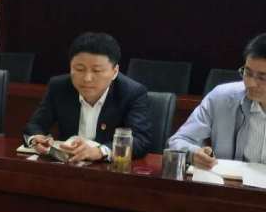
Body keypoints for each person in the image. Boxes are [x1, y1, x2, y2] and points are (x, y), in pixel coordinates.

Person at [24, 32, 153, 162]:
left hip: (108, 168)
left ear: (114, 72)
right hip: (67, 164)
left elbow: (141, 141)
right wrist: (36, 139)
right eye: (79, 69)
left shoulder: (132, 92)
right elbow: (35, 124)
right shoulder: (58, 87)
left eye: (97, 71)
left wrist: (100, 151)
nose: (87, 78)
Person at [168, 33, 266, 168]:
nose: (250, 83)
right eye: (247, 73)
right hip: (228, 180)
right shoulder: (222, 97)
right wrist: (193, 154)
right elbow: (178, 141)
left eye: (262, 78)